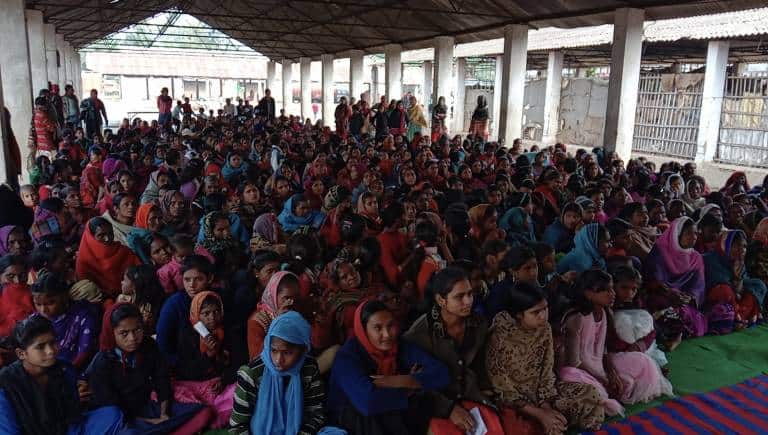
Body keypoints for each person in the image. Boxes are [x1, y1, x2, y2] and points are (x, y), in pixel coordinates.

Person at [485, 281, 605, 434]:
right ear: (519, 315)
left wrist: (546, 407)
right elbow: (502, 389)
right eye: (536, 312)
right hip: (514, 402)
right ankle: (552, 424)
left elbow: (547, 371)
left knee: (590, 394)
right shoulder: (499, 337)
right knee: (523, 428)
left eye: (545, 308)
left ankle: (556, 423)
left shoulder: (545, 329)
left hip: (543, 396)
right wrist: (541, 415)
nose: (543, 316)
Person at [404, 267, 505, 435]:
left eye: (470, 294)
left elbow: (479, 363)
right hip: (436, 403)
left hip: (469, 395)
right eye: (459, 297)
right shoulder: (419, 334)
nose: (468, 301)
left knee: (494, 430)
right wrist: (449, 409)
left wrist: (485, 390)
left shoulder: (478, 324)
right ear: (441, 300)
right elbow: (415, 385)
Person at [559, 270, 673, 417]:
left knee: (643, 361)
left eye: (612, 288)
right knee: (589, 388)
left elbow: (604, 351)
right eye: (605, 290)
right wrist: (604, 379)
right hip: (579, 370)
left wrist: (611, 374)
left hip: (599, 365)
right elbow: (573, 362)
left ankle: (610, 391)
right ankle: (605, 394)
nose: (612, 293)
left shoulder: (605, 313)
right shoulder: (576, 318)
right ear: (588, 293)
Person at [328, 300, 450, 434]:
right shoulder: (346, 357)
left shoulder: (399, 346)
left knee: (417, 404)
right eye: (377, 328)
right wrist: (411, 389)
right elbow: (368, 402)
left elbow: (442, 373)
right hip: (351, 420)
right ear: (363, 329)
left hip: (388, 414)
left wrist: (400, 381)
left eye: (391, 325)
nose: (387, 334)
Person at [88, 303, 213, 433]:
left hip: (148, 407)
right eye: (124, 333)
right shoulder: (102, 362)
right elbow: (110, 408)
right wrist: (149, 422)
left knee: (204, 412)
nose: (132, 338)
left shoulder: (148, 346)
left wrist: (164, 414)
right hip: (121, 419)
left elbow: (162, 379)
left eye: (137, 330)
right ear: (111, 333)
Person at [0, 316, 125, 435]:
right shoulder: (5, 383)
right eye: (40, 347)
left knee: (112, 414)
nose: (51, 351)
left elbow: (73, 416)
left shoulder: (64, 369)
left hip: (65, 431)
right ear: (21, 353)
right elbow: (8, 431)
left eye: (52, 342)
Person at [230, 311, 330, 434]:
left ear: (303, 350)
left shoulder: (308, 369)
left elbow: (316, 414)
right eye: (274, 350)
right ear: (268, 345)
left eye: (287, 353)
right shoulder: (251, 374)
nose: (278, 360)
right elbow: (238, 425)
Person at [31, 273, 99, 371]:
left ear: (64, 297)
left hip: (74, 371)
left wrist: (65, 374)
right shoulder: (35, 319)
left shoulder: (83, 316)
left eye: (50, 303)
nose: (43, 310)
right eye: (38, 304)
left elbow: (84, 353)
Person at [75, 217, 141, 300]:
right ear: (90, 237)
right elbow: (89, 292)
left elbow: (140, 274)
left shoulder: (124, 251)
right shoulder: (84, 262)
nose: (107, 238)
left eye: (110, 233)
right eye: (101, 235)